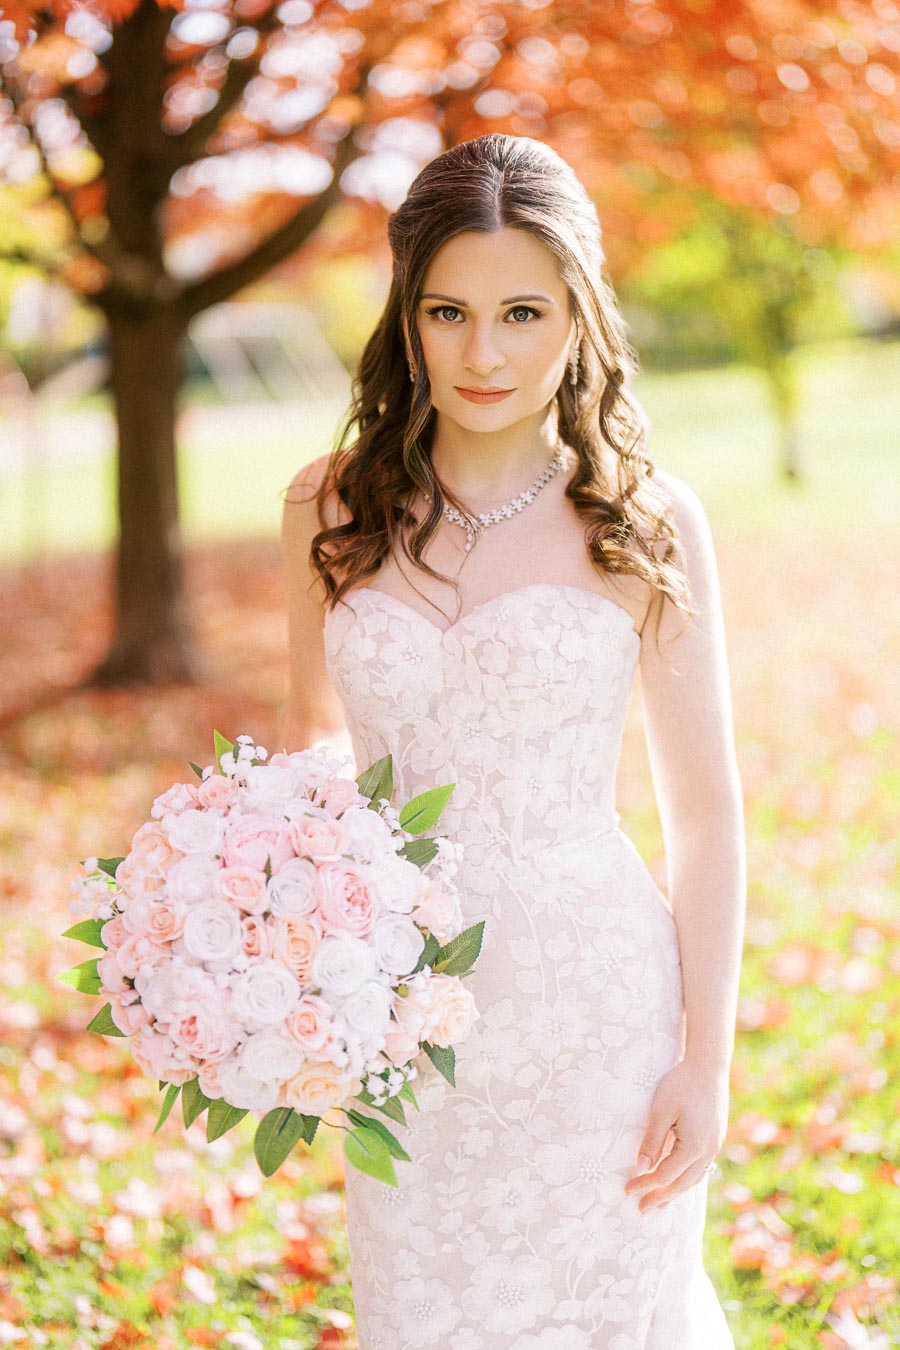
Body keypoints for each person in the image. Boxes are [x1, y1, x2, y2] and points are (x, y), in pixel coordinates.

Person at [278, 133, 745, 1349]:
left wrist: (707, 1063)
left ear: (578, 317)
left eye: (523, 312)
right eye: (448, 311)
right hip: (401, 1017)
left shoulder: (644, 521)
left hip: (597, 1011)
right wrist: (281, 949)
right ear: (408, 318)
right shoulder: (327, 509)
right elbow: (309, 748)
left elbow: (704, 818)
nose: (482, 353)